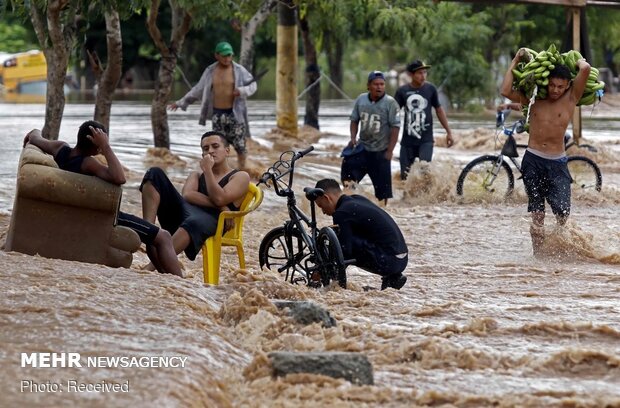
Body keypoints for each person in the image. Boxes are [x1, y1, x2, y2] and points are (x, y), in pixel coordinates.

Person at [23, 121, 182, 276]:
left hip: (81, 214)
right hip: (104, 217)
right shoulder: (87, 163)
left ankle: (165, 277)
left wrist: (33, 132)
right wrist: (105, 146)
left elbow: (36, 137)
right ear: (95, 142)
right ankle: (181, 284)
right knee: (163, 236)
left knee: (151, 234)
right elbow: (120, 178)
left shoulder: (60, 149)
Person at [500, 48, 591, 256]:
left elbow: (585, 68)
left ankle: (560, 252)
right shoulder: (534, 99)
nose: (555, 90)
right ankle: (539, 256)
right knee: (537, 214)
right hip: (533, 161)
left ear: (567, 85)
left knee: (562, 213)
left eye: (560, 86)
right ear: (545, 83)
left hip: (558, 162)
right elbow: (505, 91)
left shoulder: (571, 98)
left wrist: (574, 61)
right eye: (551, 85)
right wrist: (515, 60)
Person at [140, 131, 250, 267]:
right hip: (185, 213)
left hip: (214, 221)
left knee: (194, 221)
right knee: (154, 173)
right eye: (205, 149)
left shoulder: (240, 176)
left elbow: (220, 198)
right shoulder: (197, 175)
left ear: (227, 151)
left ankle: (153, 267)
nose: (210, 151)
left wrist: (208, 171)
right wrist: (221, 206)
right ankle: (148, 233)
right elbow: (188, 195)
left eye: (215, 146)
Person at [169, 41, 256, 169]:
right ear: (217, 55)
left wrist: (242, 91)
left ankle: (244, 172)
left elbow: (253, 85)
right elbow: (198, 89)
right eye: (224, 55)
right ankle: (220, 174)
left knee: (240, 147)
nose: (227, 58)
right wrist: (180, 102)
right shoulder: (210, 71)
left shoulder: (239, 70)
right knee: (217, 147)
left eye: (229, 55)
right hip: (217, 115)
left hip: (235, 115)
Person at [314, 178, 408, 290]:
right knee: (349, 239)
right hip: (402, 258)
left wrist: (324, 272)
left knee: (339, 245)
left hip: (389, 261)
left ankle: (390, 275)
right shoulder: (357, 199)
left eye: (321, 206)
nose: (323, 212)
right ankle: (393, 278)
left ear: (326, 198)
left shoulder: (341, 213)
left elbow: (344, 252)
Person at [342, 70, 400, 205]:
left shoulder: (390, 103)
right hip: (363, 148)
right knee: (348, 173)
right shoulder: (361, 99)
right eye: (376, 84)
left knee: (383, 191)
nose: (379, 87)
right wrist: (353, 138)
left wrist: (390, 150)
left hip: (381, 151)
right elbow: (354, 120)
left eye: (382, 84)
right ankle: (350, 203)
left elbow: (395, 128)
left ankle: (383, 209)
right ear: (368, 86)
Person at [394, 60, 453, 180]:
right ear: (411, 75)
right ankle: (406, 199)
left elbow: (439, 110)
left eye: (425, 72)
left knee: (425, 173)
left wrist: (449, 132)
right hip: (407, 142)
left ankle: (424, 199)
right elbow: (393, 113)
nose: (423, 76)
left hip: (426, 141)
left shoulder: (430, 89)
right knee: (404, 177)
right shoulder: (402, 91)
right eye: (420, 73)